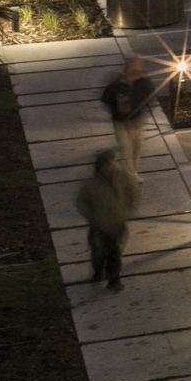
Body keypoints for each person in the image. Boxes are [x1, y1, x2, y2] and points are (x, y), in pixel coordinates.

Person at [75, 149, 137, 290]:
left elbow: (133, 191)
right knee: (99, 253)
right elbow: (81, 201)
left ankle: (113, 280)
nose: (111, 166)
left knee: (114, 253)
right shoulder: (91, 185)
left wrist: (128, 207)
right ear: (100, 166)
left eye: (113, 162)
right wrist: (91, 216)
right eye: (108, 163)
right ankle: (98, 271)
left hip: (117, 225)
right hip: (99, 227)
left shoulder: (122, 178)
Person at [99, 56, 157, 171]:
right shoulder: (115, 84)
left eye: (139, 70)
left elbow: (151, 96)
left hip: (136, 121)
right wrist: (117, 108)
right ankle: (130, 177)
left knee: (136, 148)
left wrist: (140, 108)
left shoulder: (142, 81)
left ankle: (134, 172)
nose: (138, 72)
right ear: (126, 69)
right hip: (120, 122)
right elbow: (106, 99)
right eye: (135, 70)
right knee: (126, 150)